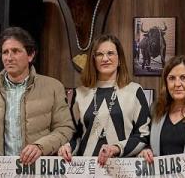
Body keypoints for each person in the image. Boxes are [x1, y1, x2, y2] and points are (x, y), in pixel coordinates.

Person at [0, 27, 73, 164]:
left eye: (15, 51)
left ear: (30, 55)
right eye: (5, 52)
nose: (9, 58)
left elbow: (64, 129)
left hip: (36, 170)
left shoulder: (53, 87)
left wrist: (40, 147)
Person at [58, 34, 150, 166]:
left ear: (120, 60)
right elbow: (76, 136)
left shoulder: (135, 91)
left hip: (122, 172)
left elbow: (142, 135)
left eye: (110, 53)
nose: (105, 58)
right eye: (99, 54)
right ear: (93, 60)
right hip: (86, 172)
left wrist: (116, 149)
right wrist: (67, 148)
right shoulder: (79, 94)